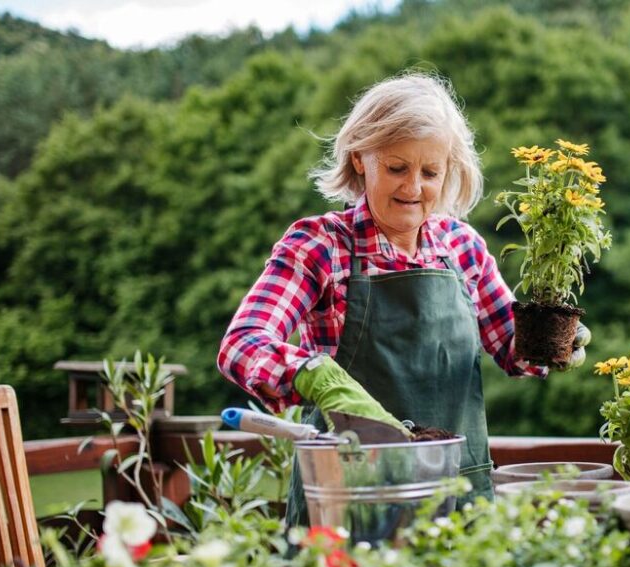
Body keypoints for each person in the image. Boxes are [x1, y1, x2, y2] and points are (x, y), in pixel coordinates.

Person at [217, 73, 590, 524]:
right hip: (350, 497)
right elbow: (242, 344)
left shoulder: (461, 247)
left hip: (457, 496)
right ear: (360, 157)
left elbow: (514, 351)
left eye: (430, 172)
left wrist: (555, 341)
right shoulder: (321, 245)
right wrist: (315, 376)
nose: (413, 188)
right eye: (397, 168)